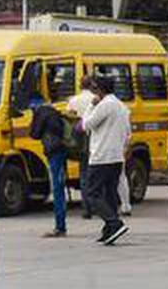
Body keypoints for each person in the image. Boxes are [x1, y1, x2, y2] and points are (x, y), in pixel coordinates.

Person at [81, 75, 131, 245]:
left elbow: (86, 124)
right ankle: (109, 230)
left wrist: (90, 106)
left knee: (92, 193)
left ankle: (114, 223)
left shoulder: (105, 105)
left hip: (101, 156)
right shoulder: (122, 107)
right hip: (116, 156)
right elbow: (128, 133)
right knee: (109, 194)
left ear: (100, 90)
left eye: (95, 89)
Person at [31, 100, 70, 238]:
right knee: (60, 186)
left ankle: (60, 226)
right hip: (62, 149)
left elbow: (34, 133)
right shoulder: (55, 113)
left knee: (57, 188)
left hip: (53, 151)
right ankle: (61, 224)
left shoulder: (41, 114)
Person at [66, 76, 97, 219]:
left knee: (84, 174)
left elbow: (69, 120)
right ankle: (98, 205)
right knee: (96, 174)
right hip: (95, 139)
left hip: (79, 141)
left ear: (80, 85)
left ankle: (87, 207)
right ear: (91, 85)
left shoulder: (73, 100)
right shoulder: (96, 99)